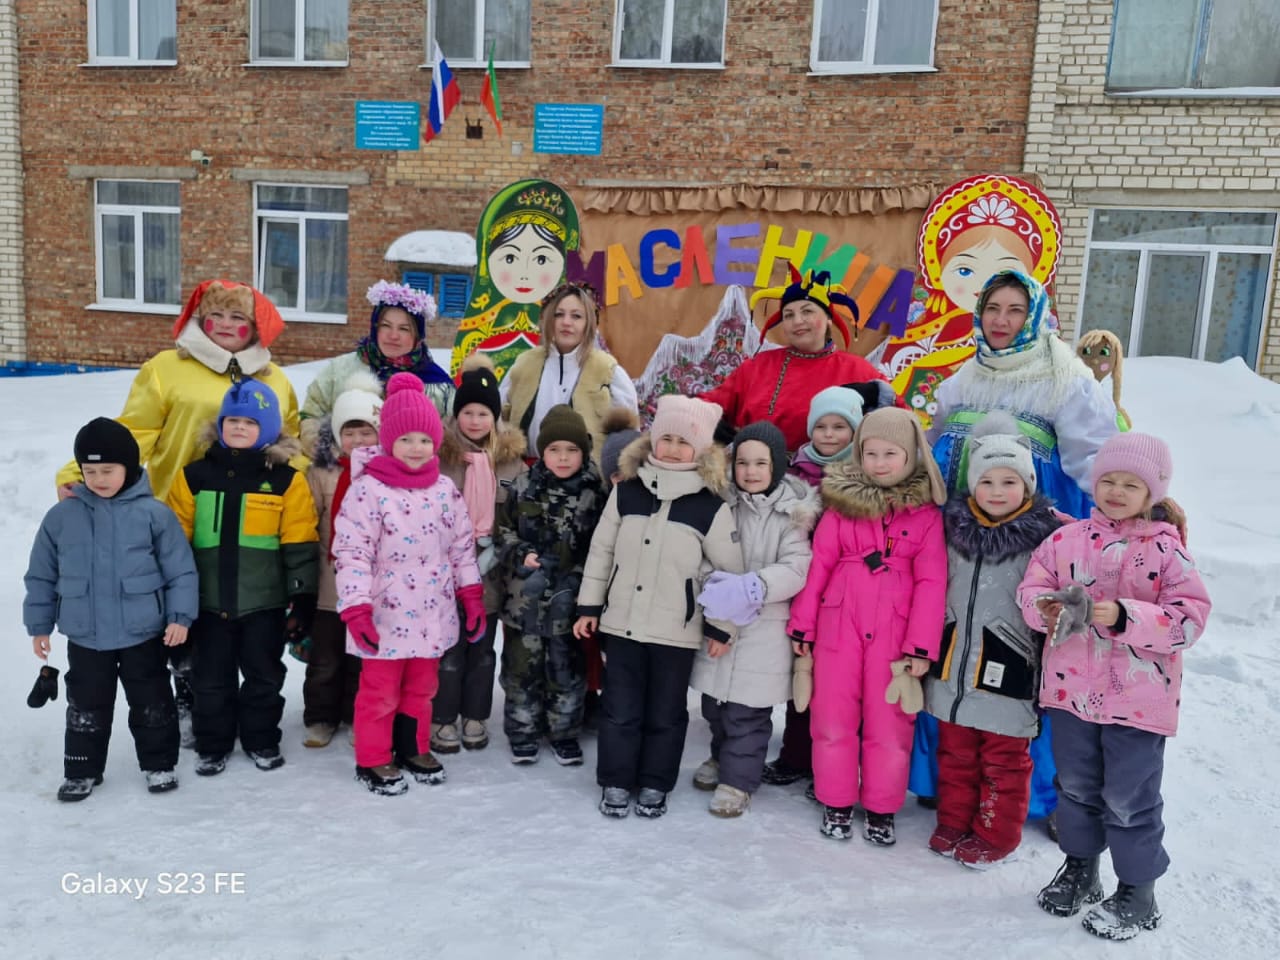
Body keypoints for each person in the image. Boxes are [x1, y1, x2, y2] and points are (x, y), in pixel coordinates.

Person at [53, 279, 302, 748]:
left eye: (238, 317)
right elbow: (135, 433)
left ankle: (245, 707)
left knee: (244, 614)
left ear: (256, 327)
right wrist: (77, 474)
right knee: (187, 610)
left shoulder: (275, 380)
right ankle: (190, 697)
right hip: (177, 515)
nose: (225, 325)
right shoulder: (166, 369)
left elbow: (292, 448)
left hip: (251, 522)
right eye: (216, 315)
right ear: (199, 320)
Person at [913, 269, 1120, 824]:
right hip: (959, 539)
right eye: (992, 308)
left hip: (1030, 545)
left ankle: (1039, 792)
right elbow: (932, 447)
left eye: (1014, 310)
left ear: (1035, 317)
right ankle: (943, 778)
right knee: (955, 643)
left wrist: (1117, 526)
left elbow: (1097, 464)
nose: (1001, 321)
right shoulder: (964, 378)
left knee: (1021, 653)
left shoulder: (1066, 380)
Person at [1018, 433, 1211, 941]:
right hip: (1071, 694)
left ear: (1152, 492)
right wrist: (1044, 608)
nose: (1117, 492)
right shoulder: (1066, 540)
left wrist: (1125, 616)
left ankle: (1138, 891)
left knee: (1129, 798)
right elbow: (1031, 588)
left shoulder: (1168, 551)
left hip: (1138, 703)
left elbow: (1188, 620)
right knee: (1076, 788)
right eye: (1108, 481)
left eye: (1131, 484)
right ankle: (1080, 870)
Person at [574, 395, 743, 819]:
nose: (672, 448)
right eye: (665, 438)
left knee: (665, 713)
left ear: (700, 449)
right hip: (622, 625)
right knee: (620, 708)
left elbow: (728, 573)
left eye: (684, 442)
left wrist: (722, 626)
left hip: (676, 632)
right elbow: (601, 551)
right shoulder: (626, 491)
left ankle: (654, 781)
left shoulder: (710, 505)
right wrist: (590, 605)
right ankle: (616, 779)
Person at [787, 407, 947, 846]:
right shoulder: (842, 507)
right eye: (871, 453)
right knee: (831, 715)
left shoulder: (926, 515)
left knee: (890, 722)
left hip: (895, 633)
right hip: (838, 624)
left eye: (890, 453)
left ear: (910, 455)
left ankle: (881, 806)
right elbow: (819, 565)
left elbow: (932, 582)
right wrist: (803, 626)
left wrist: (920, 647)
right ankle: (836, 800)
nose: (879, 463)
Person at [25, 418, 198, 801]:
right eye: (90, 471)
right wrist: (39, 626)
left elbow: (181, 571)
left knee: (152, 701)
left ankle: (159, 764)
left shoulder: (154, 515)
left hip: (143, 632)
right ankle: (81, 771)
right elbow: (41, 574)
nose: (99, 479)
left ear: (129, 467)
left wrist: (180, 617)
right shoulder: (61, 518)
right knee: (85, 704)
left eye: (108, 470)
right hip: (86, 635)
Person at [332, 372, 485, 796]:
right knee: (381, 691)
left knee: (422, 689)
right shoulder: (368, 491)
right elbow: (352, 553)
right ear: (388, 441)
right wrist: (356, 607)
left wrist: (471, 595)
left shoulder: (444, 490)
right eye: (405, 439)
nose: (416, 448)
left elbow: (461, 549)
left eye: (424, 439)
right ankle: (373, 757)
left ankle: (413, 747)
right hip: (384, 616)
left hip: (432, 615)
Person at [923, 411, 1061, 867]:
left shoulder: (1046, 538)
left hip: (1010, 666)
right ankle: (953, 821)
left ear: (1028, 484)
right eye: (987, 481)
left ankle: (996, 835)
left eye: (1009, 482)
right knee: (956, 754)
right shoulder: (953, 530)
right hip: (953, 667)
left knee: (1004, 761)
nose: (997, 492)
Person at [166, 379, 319, 777]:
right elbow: (175, 543)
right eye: (232, 420)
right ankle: (213, 743)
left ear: (267, 430)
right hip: (208, 604)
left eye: (250, 422)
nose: (238, 427)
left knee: (263, 677)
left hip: (263, 605)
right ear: (219, 425)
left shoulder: (287, 481)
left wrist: (301, 598)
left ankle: (261, 738)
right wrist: (175, 596)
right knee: (210, 680)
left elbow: (299, 541)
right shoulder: (194, 477)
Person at [690, 421, 816, 817]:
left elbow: (796, 567)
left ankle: (738, 782)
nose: (750, 471)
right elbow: (702, 552)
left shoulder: (792, 514)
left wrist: (755, 586)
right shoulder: (722, 504)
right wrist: (714, 584)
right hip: (719, 623)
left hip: (764, 631)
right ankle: (720, 757)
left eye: (761, 463)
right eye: (742, 462)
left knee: (747, 714)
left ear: (776, 465)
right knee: (715, 706)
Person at [495, 405, 606, 766]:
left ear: (584, 452)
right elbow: (503, 531)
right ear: (542, 451)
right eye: (554, 449)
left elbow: (601, 545)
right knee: (521, 671)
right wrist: (521, 553)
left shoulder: (595, 492)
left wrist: (579, 578)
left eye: (571, 450)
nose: (563, 457)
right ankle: (523, 732)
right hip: (523, 602)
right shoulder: (523, 485)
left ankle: (564, 733)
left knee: (566, 672)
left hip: (568, 604)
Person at [431, 355, 528, 754]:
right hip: (445, 570)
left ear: (495, 417)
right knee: (449, 649)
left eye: (483, 413)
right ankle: (442, 717)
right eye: (467, 412)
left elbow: (521, 515)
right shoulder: (440, 456)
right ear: (456, 415)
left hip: (491, 571)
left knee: (483, 649)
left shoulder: (510, 462)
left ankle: (475, 715)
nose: (474, 421)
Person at [699, 265, 887, 453]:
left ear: (829, 319)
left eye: (807, 311)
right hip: (757, 468)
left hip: (829, 471)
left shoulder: (858, 370)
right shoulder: (758, 366)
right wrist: (710, 421)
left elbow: (896, 417)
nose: (797, 321)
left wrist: (877, 394)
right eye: (788, 315)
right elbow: (704, 407)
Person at [299, 372, 383, 748]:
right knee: (326, 657)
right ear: (336, 434)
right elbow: (307, 522)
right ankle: (320, 717)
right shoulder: (322, 472)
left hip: (371, 587)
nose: (358, 440)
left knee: (361, 658)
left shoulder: (386, 473)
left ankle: (353, 713)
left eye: (367, 431)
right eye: (350, 432)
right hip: (329, 585)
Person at [300, 280, 454, 454]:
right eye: (386, 326)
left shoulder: (440, 386)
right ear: (375, 328)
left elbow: (450, 439)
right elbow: (310, 416)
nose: (393, 336)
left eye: (404, 329)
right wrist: (337, 457)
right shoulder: (340, 370)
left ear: (417, 336)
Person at [499, 282, 638, 463]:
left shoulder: (608, 371)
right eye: (559, 314)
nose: (566, 322)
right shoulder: (524, 365)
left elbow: (627, 440)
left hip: (589, 478)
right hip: (527, 474)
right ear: (548, 319)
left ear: (589, 323)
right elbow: (498, 419)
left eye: (576, 316)